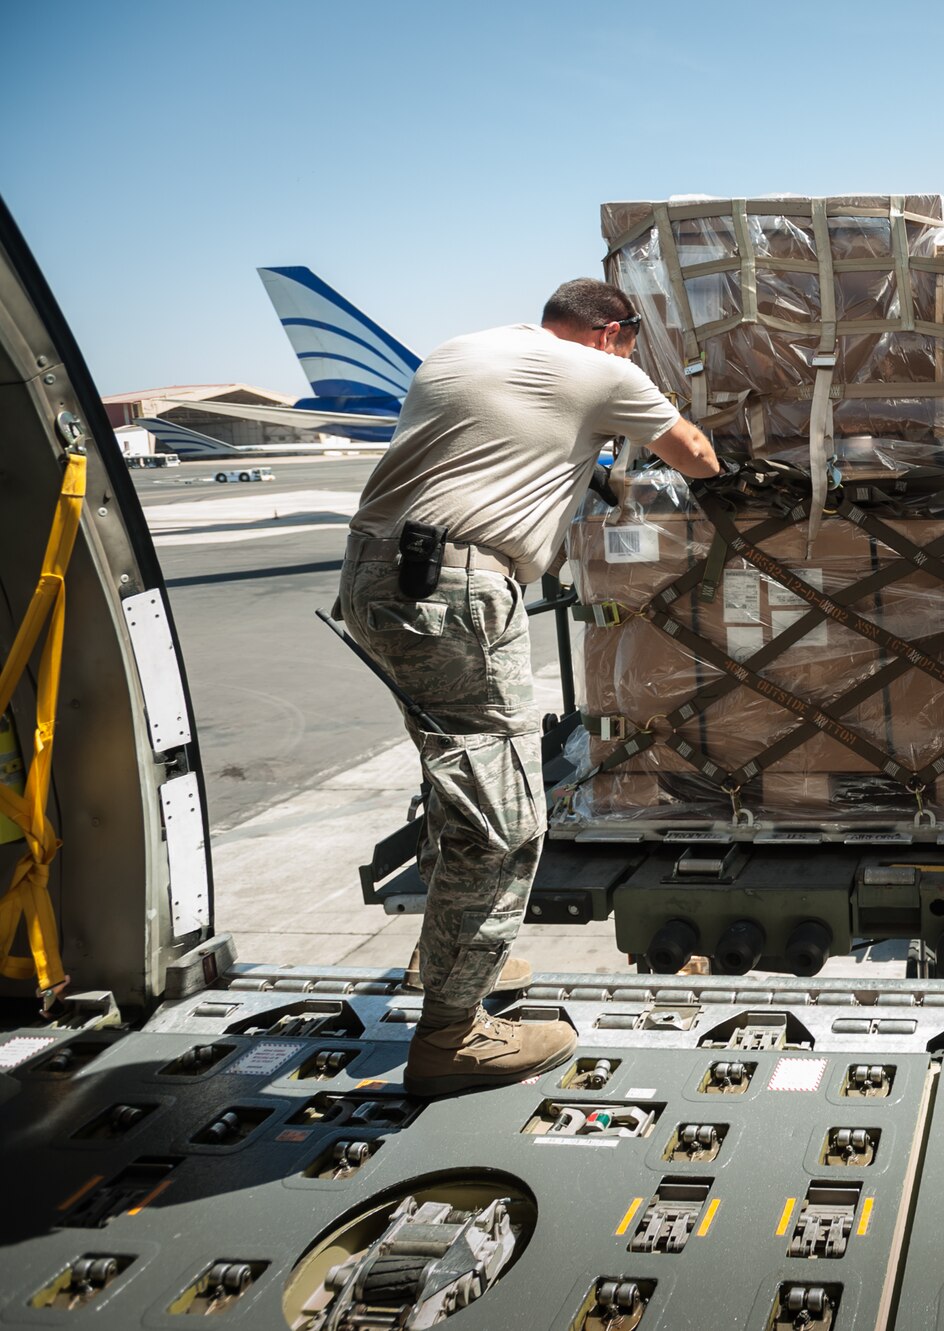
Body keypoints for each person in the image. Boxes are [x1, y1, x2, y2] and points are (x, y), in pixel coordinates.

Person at [341, 279, 719, 1097]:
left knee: (459, 776)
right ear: (612, 334)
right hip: (457, 590)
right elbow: (700, 456)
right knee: (507, 817)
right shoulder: (606, 373)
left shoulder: (461, 350)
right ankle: (453, 1033)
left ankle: (443, 950)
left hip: (375, 579)